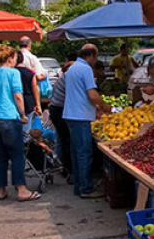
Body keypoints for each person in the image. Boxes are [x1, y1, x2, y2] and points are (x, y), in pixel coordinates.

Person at [0, 44, 40, 202]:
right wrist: (22, 114)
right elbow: (18, 96)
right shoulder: (13, 73)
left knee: (1, 156)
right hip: (8, 118)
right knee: (17, 154)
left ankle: (1, 190)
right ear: (11, 58)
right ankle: (21, 190)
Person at [63, 43, 112, 199]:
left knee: (76, 152)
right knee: (84, 153)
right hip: (80, 116)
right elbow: (92, 94)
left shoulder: (72, 68)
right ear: (90, 55)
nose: (95, 60)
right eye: (96, 56)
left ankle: (79, 186)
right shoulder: (85, 69)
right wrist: (105, 106)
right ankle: (86, 188)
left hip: (71, 114)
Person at [47, 54, 75, 180]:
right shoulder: (68, 79)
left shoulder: (62, 78)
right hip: (59, 111)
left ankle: (63, 166)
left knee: (62, 139)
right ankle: (68, 169)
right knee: (66, 140)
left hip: (56, 109)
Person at [16, 51, 41, 135]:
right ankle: (24, 144)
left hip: (14, 101)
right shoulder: (30, 73)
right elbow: (35, 89)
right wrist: (37, 104)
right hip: (28, 101)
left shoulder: (12, 72)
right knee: (26, 127)